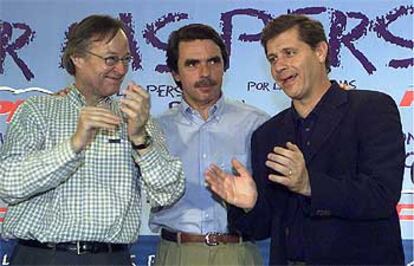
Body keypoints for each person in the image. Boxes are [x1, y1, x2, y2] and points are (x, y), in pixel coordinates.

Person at [205, 14, 405, 265]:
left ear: (320, 51)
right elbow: (260, 228)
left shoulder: (371, 109)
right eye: (272, 58)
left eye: (289, 53)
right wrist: (249, 205)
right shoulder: (267, 134)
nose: (279, 66)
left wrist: (310, 185)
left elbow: (381, 195)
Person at [0, 14, 185, 266]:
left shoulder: (138, 119)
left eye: (125, 60)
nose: (121, 70)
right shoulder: (37, 111)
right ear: (77, 57)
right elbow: (8, 185)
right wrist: (74, 144)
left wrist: (140, 139)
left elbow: (169, 194)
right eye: (110, 59)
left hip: (112, 258)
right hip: (43, 256)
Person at [148, 24, 269, 265]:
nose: (205, 73)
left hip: (238, 252)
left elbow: (272, 206)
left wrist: (251, 205)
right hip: (177, 253)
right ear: (175, 73)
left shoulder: (257, 123)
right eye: (192, 64)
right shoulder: (155, 129)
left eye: (213, 61)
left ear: (224, 66)